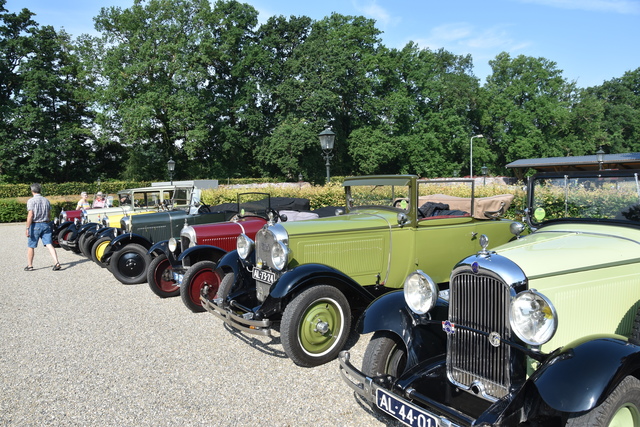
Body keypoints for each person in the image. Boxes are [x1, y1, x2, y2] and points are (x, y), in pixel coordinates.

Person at [25, 183, 61, 271]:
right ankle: (56, 262)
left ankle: (30, 265)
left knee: (31, 246)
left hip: (35, 225)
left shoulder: (31, 201)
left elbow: (30, 215)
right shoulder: (46, 200)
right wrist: (47, 221)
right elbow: (49, 214)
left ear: (32, 191)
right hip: (46, 224)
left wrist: (27, 228)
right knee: (49, 244)